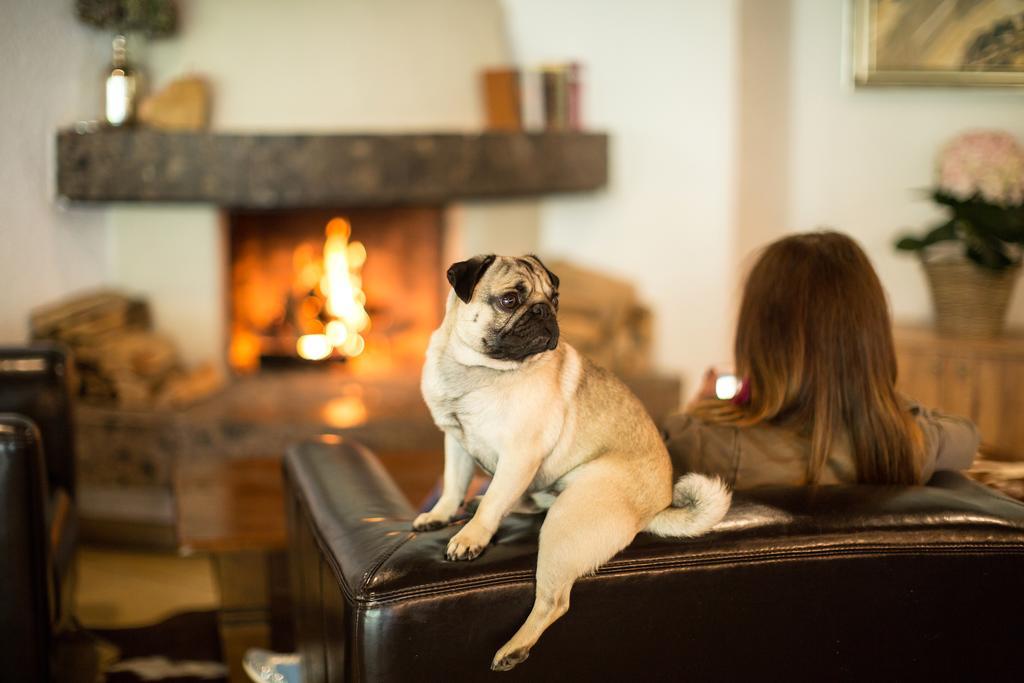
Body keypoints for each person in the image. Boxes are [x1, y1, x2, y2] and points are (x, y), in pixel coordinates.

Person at [664, 231, 979, 488]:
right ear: (871, 338)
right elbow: (966, 434)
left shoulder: (701, 444)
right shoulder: (909, 446)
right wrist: (877, 397)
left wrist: (701, 407)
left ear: (758, 339)